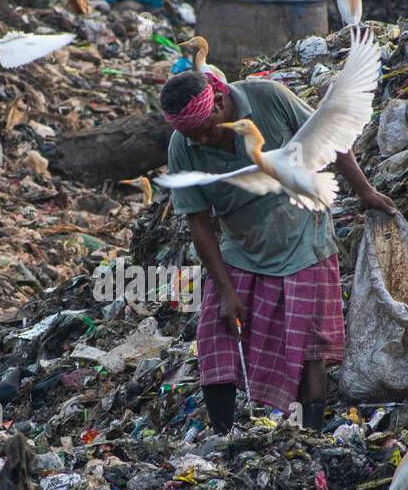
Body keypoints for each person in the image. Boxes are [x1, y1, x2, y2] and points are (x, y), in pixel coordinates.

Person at [160, 69, 395, 433]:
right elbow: (199, 222)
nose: (203, 140)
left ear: (220, 102)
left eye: (207, 129)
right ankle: (221, 437)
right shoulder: (183, 146)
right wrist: (225, 290)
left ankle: (308, 434)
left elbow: (331, 140)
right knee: (216, 339)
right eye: (195, 136)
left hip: (305, 238)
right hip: (242, 249)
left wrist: (365, 192)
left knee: (306, 351)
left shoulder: (269, 98)